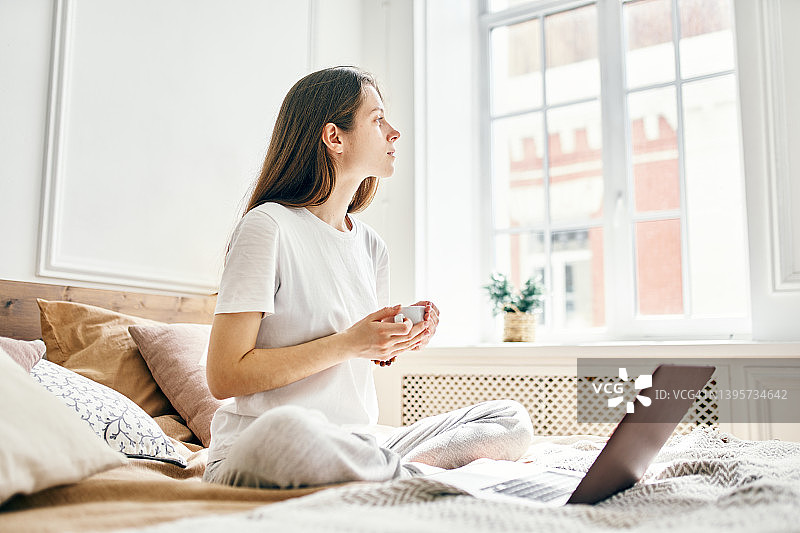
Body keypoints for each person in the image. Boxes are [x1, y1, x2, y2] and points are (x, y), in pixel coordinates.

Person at [203, 66, 533, 489]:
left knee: (510, 420)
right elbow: (224, 375)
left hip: (353, 443)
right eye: (378, 120)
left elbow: (355, 356)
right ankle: (404, 478)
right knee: (287, 430)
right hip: (266, 447)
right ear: (334, 137)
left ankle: (394, 474)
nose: (394, 132)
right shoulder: (268, 227)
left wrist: (392, 340)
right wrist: (352, 341)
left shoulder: (372, 246)